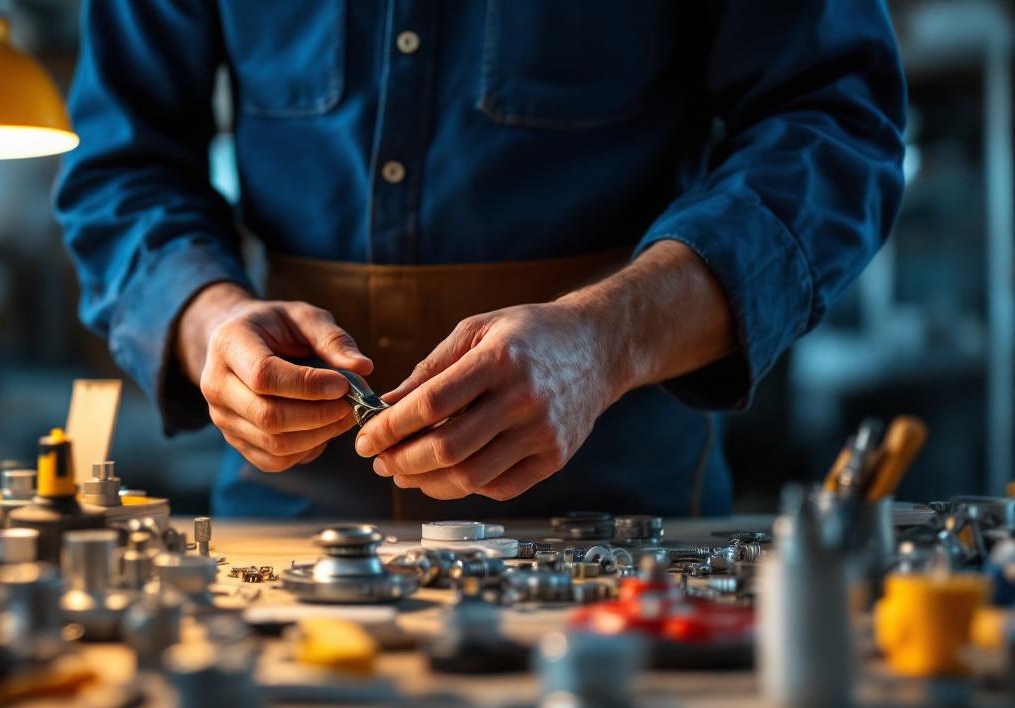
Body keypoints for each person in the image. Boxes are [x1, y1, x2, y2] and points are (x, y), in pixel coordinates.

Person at [55, 1, 906, 520]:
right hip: (292, 521)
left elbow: (837, 124)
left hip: (619, 524)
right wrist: (213, 322)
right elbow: (121, 163)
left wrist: (603, 343)